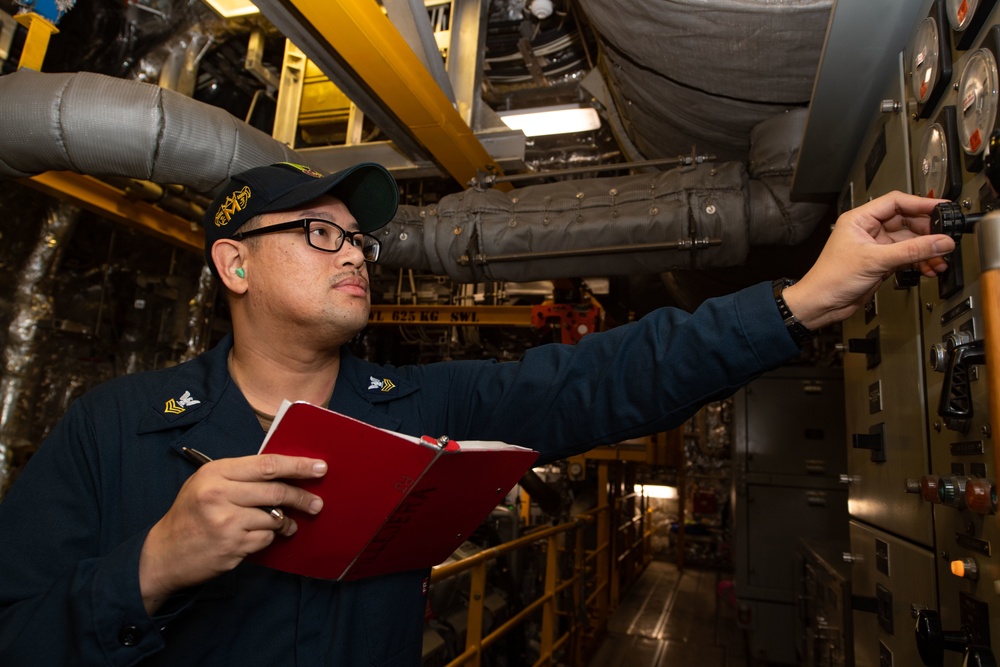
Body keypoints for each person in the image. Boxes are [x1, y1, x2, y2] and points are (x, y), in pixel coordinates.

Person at [0, 160, 955, 665]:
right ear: (235, 265)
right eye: (322, 233)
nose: (358, 255)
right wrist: (151, 567)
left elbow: (605, 378)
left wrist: (799, 301)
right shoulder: (111, 428)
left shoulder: (422, 407)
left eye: (362, 239)